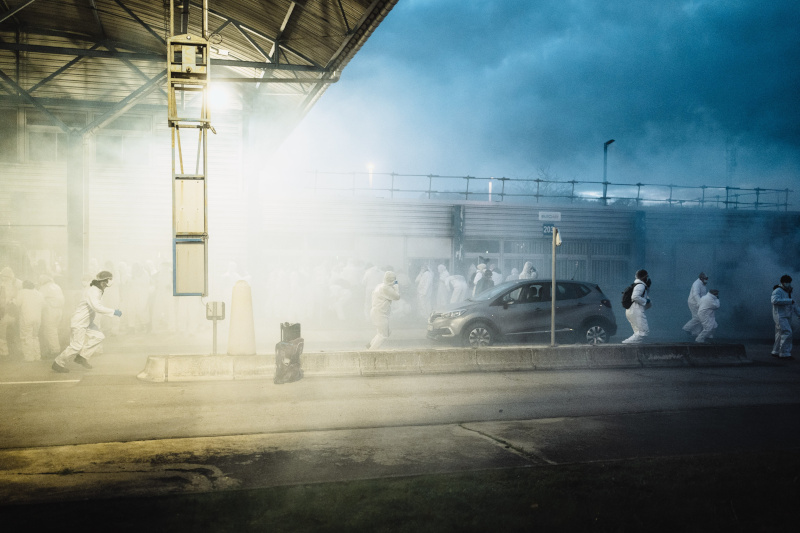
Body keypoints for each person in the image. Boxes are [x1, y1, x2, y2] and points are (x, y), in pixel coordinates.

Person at [52, 271, 122, 373]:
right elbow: (96, 307)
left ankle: (82, 357)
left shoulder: (97, 289)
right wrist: (113, 312)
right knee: (76, 346)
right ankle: (58, 362)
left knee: (99, 337)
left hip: (87, 322)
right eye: (108, 280)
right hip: (79, 322)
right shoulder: (93, 291)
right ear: (103, 282)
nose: (109, 283)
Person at [366, 271, 401, 351]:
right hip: (380, 313)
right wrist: (396, 287)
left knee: (384, 332)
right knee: (383, 335)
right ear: (392, 280)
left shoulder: (380, 286)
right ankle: (371, 351)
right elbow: (397, 297)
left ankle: (370, 345)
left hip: (377, 312)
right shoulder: (386, 288)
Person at [771, 275, 800, 359]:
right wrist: (789, 301)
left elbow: (795, 305)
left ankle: (775, 351)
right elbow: (774, 301)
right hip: (780, 315)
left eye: (789, 282)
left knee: (780, 334)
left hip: (786, 315)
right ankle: (784, 353)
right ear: (782, 282)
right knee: (787, 332)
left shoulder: (789, 292)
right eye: (786, 282)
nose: (788, 283)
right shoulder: (777, 291)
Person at [14, 280, 44, 361]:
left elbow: (17, 303)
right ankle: (37, 356)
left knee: (26, 337)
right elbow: (43, 305)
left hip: (26, 317)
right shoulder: (39, 293)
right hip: (38, 318)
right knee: (35, 337)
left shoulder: (22, 292)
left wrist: (12, 300)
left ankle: (29, 357)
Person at [38, 274, 65, 357]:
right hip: (59, 311)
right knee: (54, 330)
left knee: (50, 330)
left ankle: (54, 350)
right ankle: (54, 348)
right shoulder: (56, 286)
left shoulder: (44, 288)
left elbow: (39, 299)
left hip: (50, 311)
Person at [622, 269, 651, 344]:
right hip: (635, 310)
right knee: (643, 332)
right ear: (643, 277)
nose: (647, 278)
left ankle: (631, 346)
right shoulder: (640, 285)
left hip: (632, 310)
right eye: (646, 276)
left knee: (639, 332)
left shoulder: (638, 285)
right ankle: (626, 344)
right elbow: (635, 297)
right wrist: (645, 301)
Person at [682, 272, 709, 337]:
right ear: (701, 278)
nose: (706, 280)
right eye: (705, 278)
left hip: (698, 303)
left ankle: (695, 333)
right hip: (694, 303)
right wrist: (700, 303)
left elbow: (702, 294)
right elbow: (695, 295)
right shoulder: (696, 284)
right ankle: (686, 328)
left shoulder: (702, 284)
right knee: (698, 317)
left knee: (698, 318)